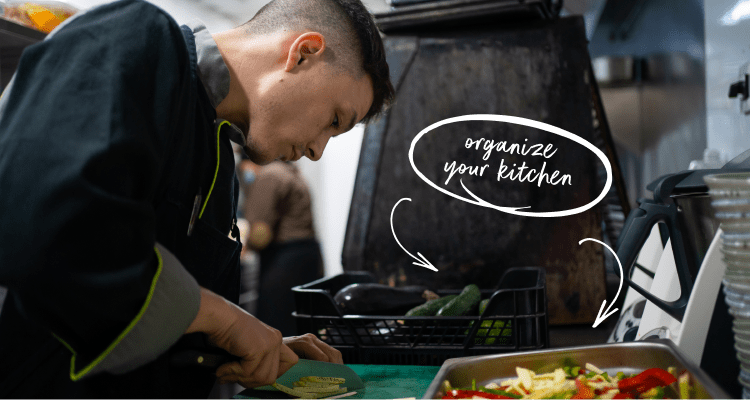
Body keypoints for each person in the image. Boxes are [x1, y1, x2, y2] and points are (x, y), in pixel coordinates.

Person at [0, 0, 394, 398]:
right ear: (303, 53)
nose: (317, 152)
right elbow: (47, 225)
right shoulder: (138, 36)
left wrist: (249, 350)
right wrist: (225, 321)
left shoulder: (220, 164)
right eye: (333, 120)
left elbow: (163, 319)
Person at [241, 160, 323, 337]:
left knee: (278, 330)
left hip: (284, 264)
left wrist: (242, 244)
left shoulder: (269, 175)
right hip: (306, 257)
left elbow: (260, 236)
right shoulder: (290, 172)